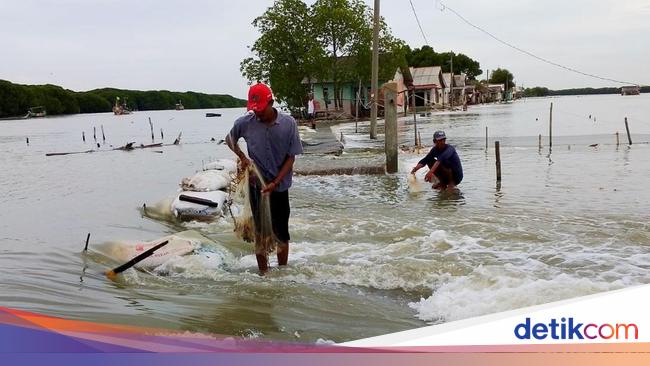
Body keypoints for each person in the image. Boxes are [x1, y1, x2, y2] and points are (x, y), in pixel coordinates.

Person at [226, 83, 303, 274]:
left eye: (261, 110)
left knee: (281, 233)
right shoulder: (245, 122)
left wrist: (275, 182)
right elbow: (229, 139)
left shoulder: (288, 124)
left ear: (271, 102)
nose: (258, 114)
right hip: (256, 186)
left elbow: (291, 156)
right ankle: (264, 275)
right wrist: (243, 158)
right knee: (260, 233)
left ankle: (282, 272)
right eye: (255, 110)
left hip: (279, 186)